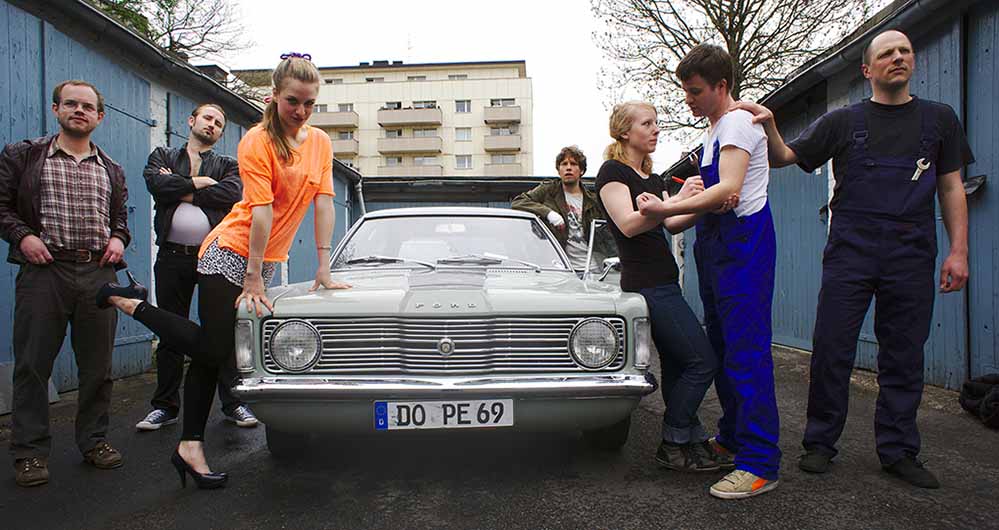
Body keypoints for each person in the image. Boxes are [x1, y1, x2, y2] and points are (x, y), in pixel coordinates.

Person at [98, 53, 350, 489]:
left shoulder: (320, 143)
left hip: (262, 261)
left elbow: (323, 202)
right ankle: (134, 306)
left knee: (213, 352)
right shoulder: (256, 141)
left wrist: (324, 266)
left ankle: (190, 446)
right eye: (293, 101)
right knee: (220, 350)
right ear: (273, 97)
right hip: (230, 251)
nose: (301, 111)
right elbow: (261, 211)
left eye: (310, 104)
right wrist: (252, 275)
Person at [735, 29, 973, 489]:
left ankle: (899, 451)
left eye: (905, 49)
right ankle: (820, 443)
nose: (898, 57)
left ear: (913, 61)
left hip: (912, 253)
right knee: (831, 349)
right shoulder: (842, 122)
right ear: (868, 69)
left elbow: (951, 188)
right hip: (851, 253)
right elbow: (787, 156)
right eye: (887, 53)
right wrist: (769, 124)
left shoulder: (939, 120)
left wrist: (959, 251)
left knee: (904, 355)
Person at [641, 44, 782, 499]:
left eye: (695, 90)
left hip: (745, 246)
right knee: (722, 347)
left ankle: (761, 462)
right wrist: (674, 208)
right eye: (684, 91)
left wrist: (669, 204)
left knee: (747, 352)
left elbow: (732, 188)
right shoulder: (712, 133)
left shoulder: (739, 121)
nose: (689, 99)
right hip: (716, 248)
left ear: (722, 86)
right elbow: (712, 197)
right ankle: (733, 438)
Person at [0, 80, 131, 487]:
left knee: (98, 368)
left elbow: (121, 219)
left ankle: (93, 442)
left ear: (99, 117)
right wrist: (23, 235)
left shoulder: (111, 168)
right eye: (71, 104)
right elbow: (1, 205)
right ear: (56, 109)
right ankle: (29, 453)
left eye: (87, 106)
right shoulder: (24, 155)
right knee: (33, 366)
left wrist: (118, 238)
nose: (79, 110)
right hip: (45, 272)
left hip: (97, 273)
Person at [595, 101, 734, 475]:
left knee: (678, 364)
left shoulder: (651, 178)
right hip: (646, 285)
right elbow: (627, 224)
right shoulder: (612, 172)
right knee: (703, 361)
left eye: (657, 123)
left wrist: (700, 203)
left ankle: (688, 442)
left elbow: (670, 224)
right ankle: (673, 440)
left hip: (665, 281)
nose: (657, 129)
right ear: (625, 132)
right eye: (647, 123)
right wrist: (670, 205)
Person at [136, 103, 259, 432]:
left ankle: (233, 403)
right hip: (172, 256)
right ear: (192, 121)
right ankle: (165, 407)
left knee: (220, 331)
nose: (212, 125)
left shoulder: (228, 164)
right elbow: (156, 186)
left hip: (213, 257)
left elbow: (231, 195)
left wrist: (181, 186)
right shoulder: (162, 155)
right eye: (208, 118)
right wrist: (201, 182)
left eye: (219, 123)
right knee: (170, 330)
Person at [512, 146, 607, 272]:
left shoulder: (593, 200)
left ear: (582, 170)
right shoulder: (548, 190)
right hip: (560, 267)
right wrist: (549, 213)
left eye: (573, 164)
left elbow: (607, 233)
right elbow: (518, 202)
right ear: (558, 170)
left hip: (592, 268)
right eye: (564, 164)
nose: (568, 167)